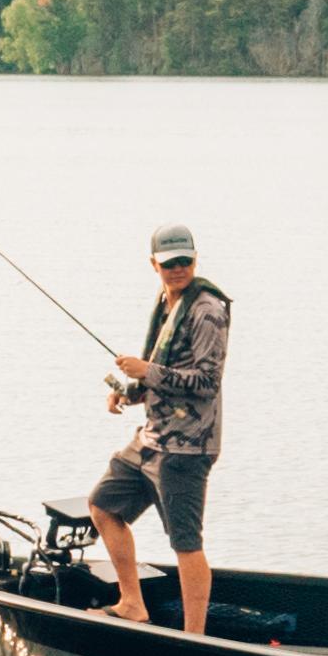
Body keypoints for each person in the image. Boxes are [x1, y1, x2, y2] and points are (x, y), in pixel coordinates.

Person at [90, 222, 232, 631]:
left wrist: (146, 371)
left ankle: (195, 638)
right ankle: (132, 602)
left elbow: (206, 383)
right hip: (153, 437)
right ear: (154, 264)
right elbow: (163, 373)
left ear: (196, 258)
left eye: (185, 261)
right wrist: (129, 391)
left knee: (185, 542)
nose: (178, 269)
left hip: (188, 448)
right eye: (170, 263)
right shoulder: (169, 302)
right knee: (103, 505)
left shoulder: (206, 311)